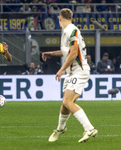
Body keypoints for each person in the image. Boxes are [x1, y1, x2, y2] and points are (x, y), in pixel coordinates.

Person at [42, 8, 98, 143]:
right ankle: (60, 129)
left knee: (68, 102)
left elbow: (73, 54)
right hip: (72, 72)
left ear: (59, 18)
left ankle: (89, 128)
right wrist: (52, 53)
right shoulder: (68, 31)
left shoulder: (72, 31)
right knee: (65, 104)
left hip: (79, 71)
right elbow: (68, 51)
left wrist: (61, 69)